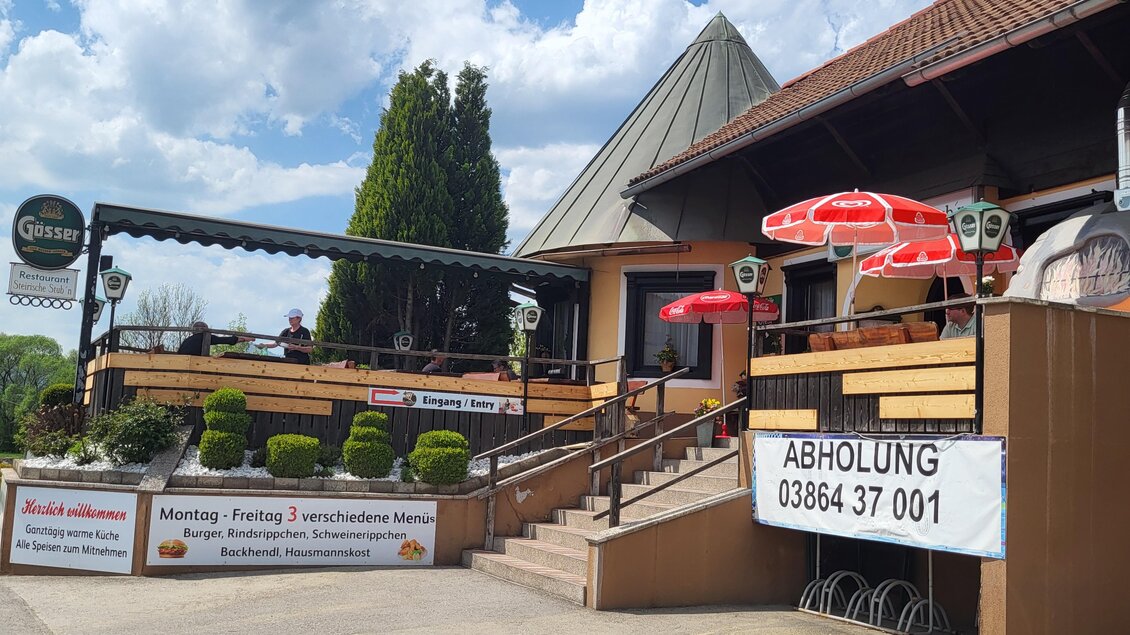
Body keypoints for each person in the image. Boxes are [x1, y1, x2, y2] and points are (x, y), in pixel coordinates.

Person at [176, 321, 253, 356]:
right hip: (195, 365)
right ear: (205, 329)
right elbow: (225, 340)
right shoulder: (205, 337)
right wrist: (245, 339)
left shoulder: (187, 341)